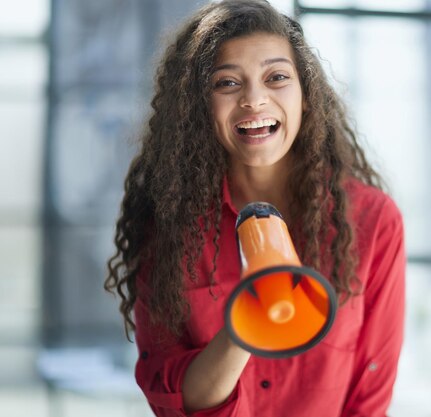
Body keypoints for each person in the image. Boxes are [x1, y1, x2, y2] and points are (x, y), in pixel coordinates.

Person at [105, 0, 406, 416]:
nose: (254, 99)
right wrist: (245, 327)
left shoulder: (372, 221)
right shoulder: (165, 225)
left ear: (306, 96)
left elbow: (370, 394)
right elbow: (171, 399)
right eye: (227, 83)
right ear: (198, 108)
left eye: (277, 77)